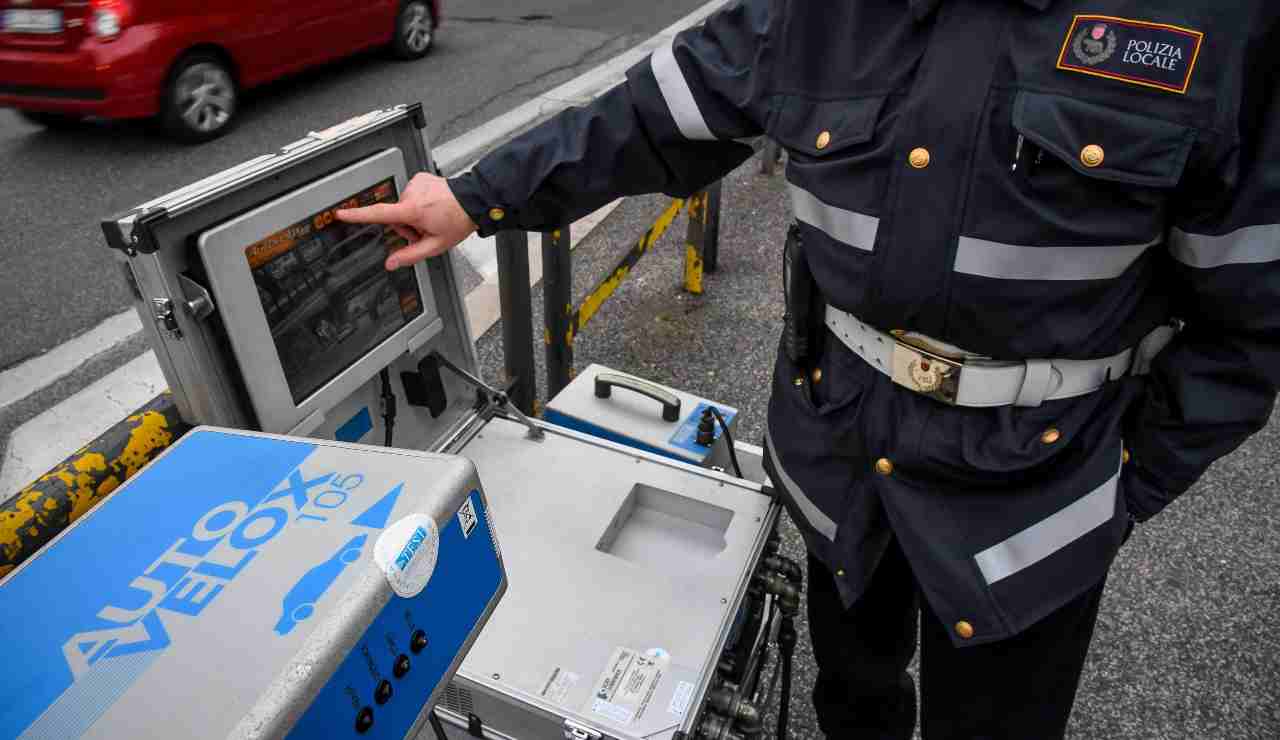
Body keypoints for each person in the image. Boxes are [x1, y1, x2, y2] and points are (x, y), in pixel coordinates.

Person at [338, 1, 1280, 737]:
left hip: (1032, 503)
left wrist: (1123, 484)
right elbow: (647, 115)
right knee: (854, 697)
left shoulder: (1218, 23)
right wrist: (475, 196)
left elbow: (1250, 326)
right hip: (841, 462)